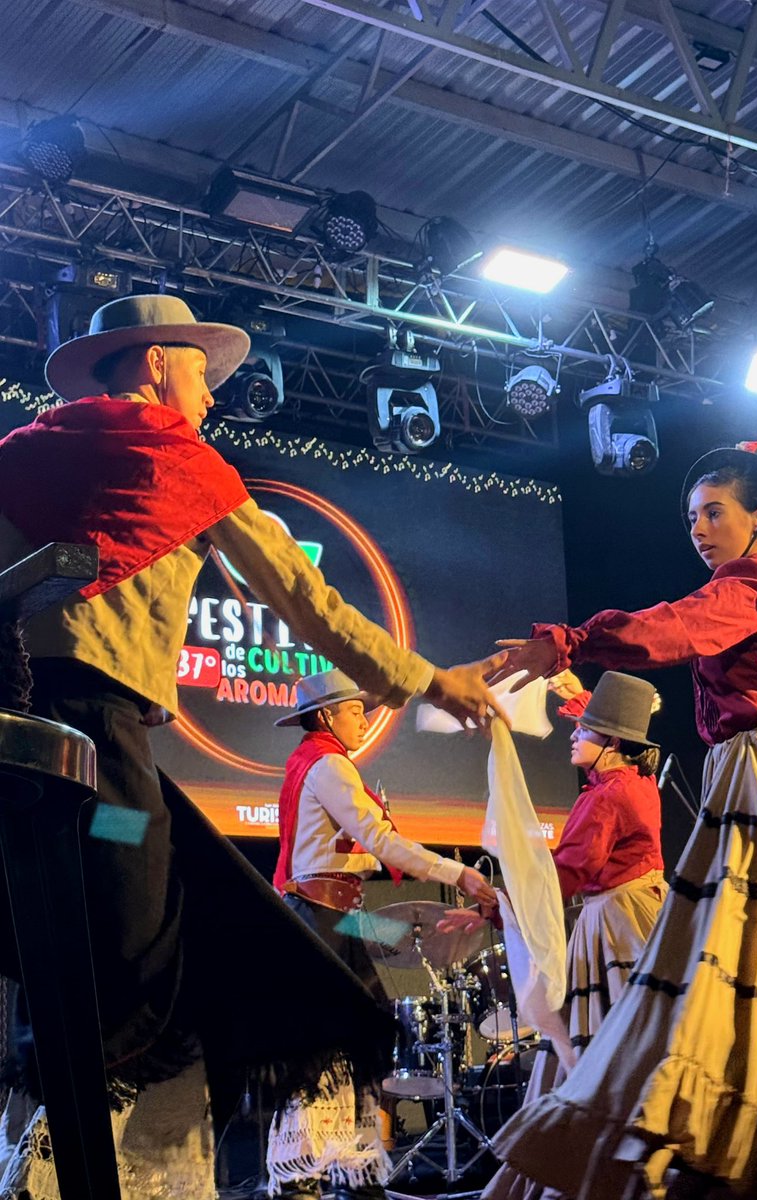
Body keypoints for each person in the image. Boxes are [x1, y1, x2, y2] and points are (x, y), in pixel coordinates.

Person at [0, 294, 506, 1198]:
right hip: (107, 744)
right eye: (199, 370)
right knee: (157, 949)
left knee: (149, 873)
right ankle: (66, 1148)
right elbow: (308, 604)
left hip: (41, 760)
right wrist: (430, 683)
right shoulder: (178, 462)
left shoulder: (29, 452)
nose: (210, 396)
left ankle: (135, 1143)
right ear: (156, 363)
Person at [482, 442, 757, 1200]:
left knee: (754, 950)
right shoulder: (749, 587)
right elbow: (677, 627)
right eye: (691, 518)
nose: (700, 529)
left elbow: (673, 629)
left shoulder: (754, 584)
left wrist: (569, 642)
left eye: (715, 512)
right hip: (745, 769)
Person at [267, 667, 496, 1199]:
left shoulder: (320, 763)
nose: (364, 718)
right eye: (353, 710)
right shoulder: (328, 765)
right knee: (325, 1050)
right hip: (321, 918)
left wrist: (389, 854)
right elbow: (379, 840)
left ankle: (353, 1170)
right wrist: (455, 872)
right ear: (326, 716)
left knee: (358, 1041)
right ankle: (305, 1175)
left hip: (332, 914)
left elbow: (356, 849)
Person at [444, 670, 667, 1200]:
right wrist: (579, 699)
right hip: (645, 915)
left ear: (610, 743)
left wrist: (498, 908)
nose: (573, 734)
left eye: (584, 730)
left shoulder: (605, 799)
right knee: (637, 1041)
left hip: (612, 926)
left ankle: (584, 1171)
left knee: (593, 1048)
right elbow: (614, 731)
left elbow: (563, 875)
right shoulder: (637, 782)